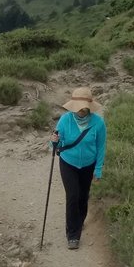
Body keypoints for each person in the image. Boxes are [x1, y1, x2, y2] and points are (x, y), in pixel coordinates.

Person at [49, 87, 107, 250]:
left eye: (84, 107)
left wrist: (98, 169)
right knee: (73, 196)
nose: (82, 110)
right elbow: (56, 145)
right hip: (68, 163)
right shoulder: (65, 120)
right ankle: (73, 234)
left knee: (83, 197)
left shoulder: (98, 123)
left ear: (89, 106)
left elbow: (101, 147)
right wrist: (54, 141)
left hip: (88, 165)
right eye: (79, 106)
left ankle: (79, 221)